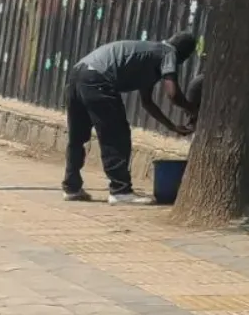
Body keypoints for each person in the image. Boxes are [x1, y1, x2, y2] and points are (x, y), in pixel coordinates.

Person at [62, 30, 197, 203]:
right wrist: (193, 109)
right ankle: (120, 190)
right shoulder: (168, 53)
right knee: (116, 136)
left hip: (78, 74)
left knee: (77, 136)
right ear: (184, 56)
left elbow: (147, 102)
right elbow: (173, 94)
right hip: (98, 79)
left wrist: (172, 126)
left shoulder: (149, 56)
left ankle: (71, 187)